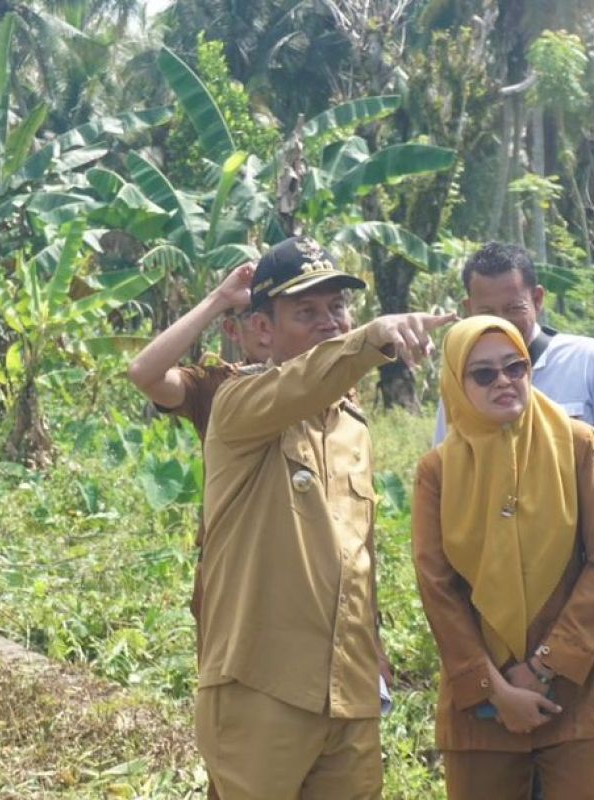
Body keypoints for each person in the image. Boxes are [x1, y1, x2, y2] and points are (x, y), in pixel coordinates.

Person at [195, 236, 453, 798]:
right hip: (263, 685)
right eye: (305, 311)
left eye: (337, 308)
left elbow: (356, 548)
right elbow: (302, 381)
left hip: (351, 690)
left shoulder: (354, 426)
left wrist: (374, 648)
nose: (328, 323)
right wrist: (368, 340)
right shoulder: (240, 405)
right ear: (262, 329)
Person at [414, 315, 594, 799]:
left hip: (581, 686)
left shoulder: (579, 443)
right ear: (456, 380)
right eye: (484, 374)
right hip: (481, 698)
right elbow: (438, 586)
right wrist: (495, 687)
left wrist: (542, 668)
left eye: (515, 367)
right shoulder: (438, 470)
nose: (505, 382)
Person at [432, 243, 594, 613]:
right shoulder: (461, 380)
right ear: (466, 311)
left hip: (584, 569)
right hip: (494, 574)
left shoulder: (588, 359)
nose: (502, 323)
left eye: (514, 309)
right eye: (487, 312)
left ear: (537, 299)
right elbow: (451, 478)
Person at [126, 262, 269, 800]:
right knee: (238, 752)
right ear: (237, 330)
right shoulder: (218, 388)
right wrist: (215, 300)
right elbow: (145, 372)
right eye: (253, 320)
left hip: (310, 595)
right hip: (235, 595)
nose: (264, 331)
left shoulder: (332, 386)